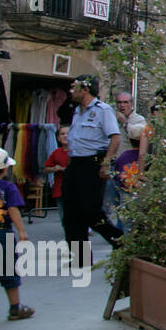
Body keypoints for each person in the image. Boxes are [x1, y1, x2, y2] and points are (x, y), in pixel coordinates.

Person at [62, 75, 122, 268]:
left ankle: (122, 243)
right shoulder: (76, 112)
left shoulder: (102, 110)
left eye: (75, 88)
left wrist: (106, 164)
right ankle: (80, 257)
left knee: (91, 211)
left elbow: (115, 138)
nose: (72, 92)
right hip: (75, 164)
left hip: (93, 165)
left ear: (85, 89)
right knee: (71, 213)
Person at [0, 147, 33, 320]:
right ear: (5, 169)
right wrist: (21, 231)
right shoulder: (8, 187)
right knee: (8, 271)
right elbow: (13, 209)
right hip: (1, 235)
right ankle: (15, 308)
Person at [43, 125, 70, 217]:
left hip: (75, 187)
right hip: (60, 187)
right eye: (62, 134)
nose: (65, 136)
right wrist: (55, 168)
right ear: (58, 138)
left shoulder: (78, 151)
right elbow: (46, 168)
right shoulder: (56, 152)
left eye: (68, 133)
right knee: (63, 214)